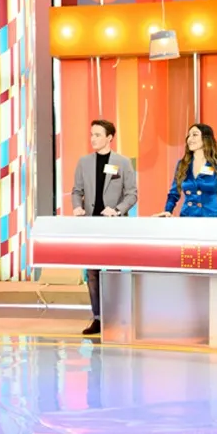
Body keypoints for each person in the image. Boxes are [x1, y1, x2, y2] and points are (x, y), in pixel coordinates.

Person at [70, 119, 137, 336]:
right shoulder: (84, 162)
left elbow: (132, 194)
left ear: (109, 137)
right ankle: (98, 317)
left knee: (114, 272)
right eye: (92, 134)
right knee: (92, 273)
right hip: (91, 224)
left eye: (98, 135)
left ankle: (115, 317)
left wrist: (117, 210)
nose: (93, 138)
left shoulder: (123, 162)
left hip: (114, 225)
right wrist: (77, 207)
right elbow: (76, 191)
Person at [156, 123, 217, 218]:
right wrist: (168, 210)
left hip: (211, 218)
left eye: (195, 135)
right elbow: (174, 193)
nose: (190, 139)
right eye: (189, 135)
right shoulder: (182, 164)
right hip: (187, 218)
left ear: (206, 138)